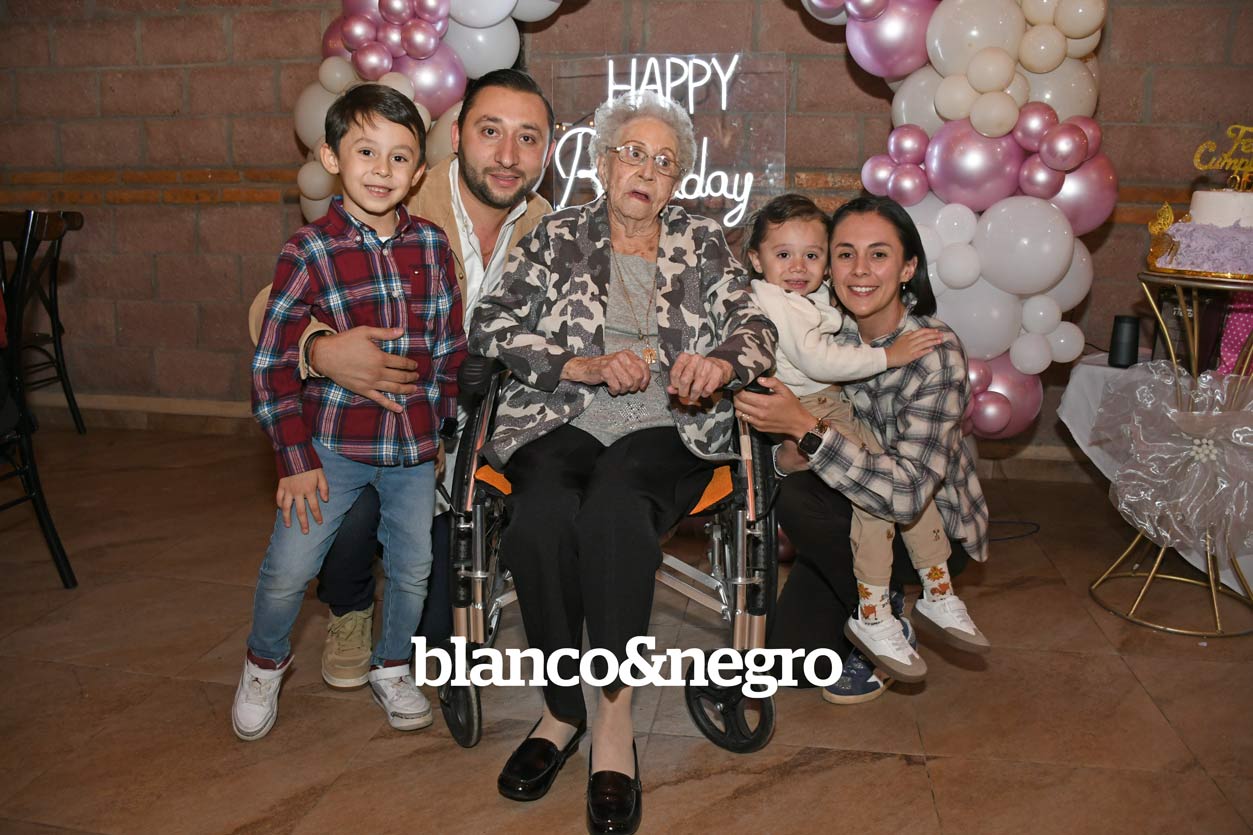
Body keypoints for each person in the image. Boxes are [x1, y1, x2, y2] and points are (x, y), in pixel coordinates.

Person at [469, 91, 775, 835]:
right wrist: (578, 364)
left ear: (676, 182)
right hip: (563, 414)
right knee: (538, 520)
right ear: (603, 164)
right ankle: (560, 707)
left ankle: (610, 716)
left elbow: (755, 327)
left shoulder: (703, 242)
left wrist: (719, 362)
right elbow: (490, 322)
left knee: (614, 511)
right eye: (633, 154)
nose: (647, 170)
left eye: (664, 162)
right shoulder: (558, 235)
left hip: (669, 423)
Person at [246, 69, 556, 690]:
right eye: (490, 131)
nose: (507, 154)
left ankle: (408, 642)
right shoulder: (403, 196)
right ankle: (349, 608)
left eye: (527, 138)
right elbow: (266, 314)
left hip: (449, 425)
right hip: (366, 418)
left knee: (435, 640)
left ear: (546, 152)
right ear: (457, 137)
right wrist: (323, 352)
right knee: (347, 507)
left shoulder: (545, 223)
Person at [235, 84, 466, 740]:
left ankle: (392, 666)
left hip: (412, 452)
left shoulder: (431, 246)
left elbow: (448, 348)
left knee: (413, 567)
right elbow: (272, 364)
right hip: (330, 448)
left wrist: (439, 428)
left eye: (399, 157)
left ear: (417, 173)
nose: (382, 169)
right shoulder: (307, 250)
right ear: (331, 157)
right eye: (366, 151)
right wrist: (295, 459)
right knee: (289, 567)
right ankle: (264, 662)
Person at [734, 195, 989, 705]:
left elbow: (908, 495)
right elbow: (778, 447)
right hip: (849, 511)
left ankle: (886, 609)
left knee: (803, 497)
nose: (860, 270)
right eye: (845, 253)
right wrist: (784, 457)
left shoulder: (933, 352)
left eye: (879, 254)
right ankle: (865, 594)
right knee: (791, 665)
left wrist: (804, 429)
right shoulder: (822, 324)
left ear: (908, 268)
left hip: (926, 528)